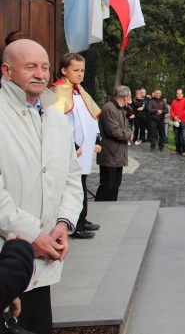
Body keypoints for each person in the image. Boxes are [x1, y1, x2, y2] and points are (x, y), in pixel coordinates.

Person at [0, 39, 84, 334]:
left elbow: (72, 176)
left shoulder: (55, 116)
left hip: (45, 258)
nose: (40, 73)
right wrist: (33, 234)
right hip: (6, 262)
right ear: (7, 71)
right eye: (31, 66)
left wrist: (64, 222)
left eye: (45, 67)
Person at [51, 53, 103, 239]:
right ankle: (75, 224)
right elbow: (58, 123)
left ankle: (83, 218)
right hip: (72, 150)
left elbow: (91, 116)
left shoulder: (78, 90)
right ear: (64, 70)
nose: (80, 74)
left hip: (85, 150)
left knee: (82, 183)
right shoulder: (58, 91)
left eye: (82, 70)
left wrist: (96, 139)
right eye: (76, 70)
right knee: (74, 186)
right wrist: (72, 146)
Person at [96, 86, 133, 202]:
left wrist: (129, 133)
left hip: (117, 153)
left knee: (115, 184)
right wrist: (128, 135)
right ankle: (100, 209)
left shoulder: (121, 109)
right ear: (125, 97)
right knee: (107, 184)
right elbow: (113, 131)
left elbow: (127, 126)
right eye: (130, 96)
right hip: (110, 152)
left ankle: (111, 207)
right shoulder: (109, 108)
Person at [170, 89, 185, 156]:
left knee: (184, 137)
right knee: (176, 137)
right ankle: (178, 150)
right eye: (177, 93)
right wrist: (174, 117)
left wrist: (178, 117)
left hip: (183, 121)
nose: (178, 95)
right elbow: (171, 110)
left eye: (180, 93)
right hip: (175, 121)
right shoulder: (174, 101)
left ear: (182, 94)